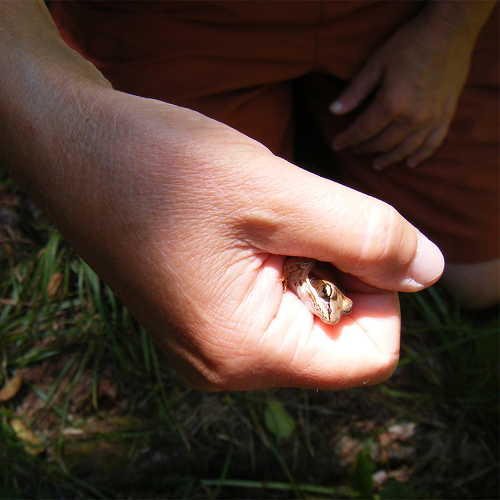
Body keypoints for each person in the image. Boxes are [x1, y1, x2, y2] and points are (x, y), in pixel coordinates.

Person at [0, 0, 493, 392]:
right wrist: (55, 118)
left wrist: (453, 25)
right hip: (171, 18)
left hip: (397, 11)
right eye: (330, 297)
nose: (332, 308)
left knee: (482, 280)